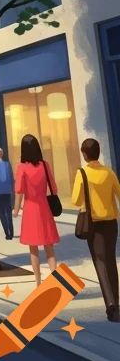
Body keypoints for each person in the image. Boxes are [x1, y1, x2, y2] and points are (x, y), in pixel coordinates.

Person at [71, 137, 120, 322]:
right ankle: (117, 300)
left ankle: (111, 306)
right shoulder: (108, 172)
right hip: (111, 223)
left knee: (100, 262)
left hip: (94, 223)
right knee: (110, 261)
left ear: (84, 154)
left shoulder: (82, 173)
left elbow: (75, 199)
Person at [13, 133, 60, 286]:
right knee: (49, 247)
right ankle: (55, 280)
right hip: (44, 207)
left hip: (30, 208)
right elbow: (54, 187)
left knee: (33, 249)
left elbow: (19, 190)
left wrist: (15, 209)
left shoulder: (22, 168)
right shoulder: (45, 165)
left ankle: (38, 282)